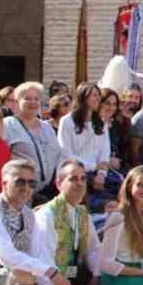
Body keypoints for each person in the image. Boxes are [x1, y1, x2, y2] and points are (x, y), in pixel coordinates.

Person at [31, 160, 103, 285]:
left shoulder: (82, 213)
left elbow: (93, 248)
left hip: (74, 277)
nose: (79, 183)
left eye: (82, 179)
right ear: (58, 184)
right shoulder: (47, 215)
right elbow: (42, 263)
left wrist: (96, 274)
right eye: (73, 179)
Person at [57, 81, 119, 211]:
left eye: (98, 95)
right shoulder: (67, 122)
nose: (98, 99)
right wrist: (93, 166)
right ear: (83, 97)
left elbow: (104, 153)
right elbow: (65, 153)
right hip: (76, 175)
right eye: (94, 95)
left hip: (98, 175)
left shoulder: (101, 123)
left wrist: (101, 174)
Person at [99, 88, 130, 175]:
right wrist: (108, 160)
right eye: (107, 103)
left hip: (117, 169)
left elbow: (122, 150)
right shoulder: (94, 126)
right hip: (99, 170)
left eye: (114, 104)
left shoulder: (116, 125)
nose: (111, 108)